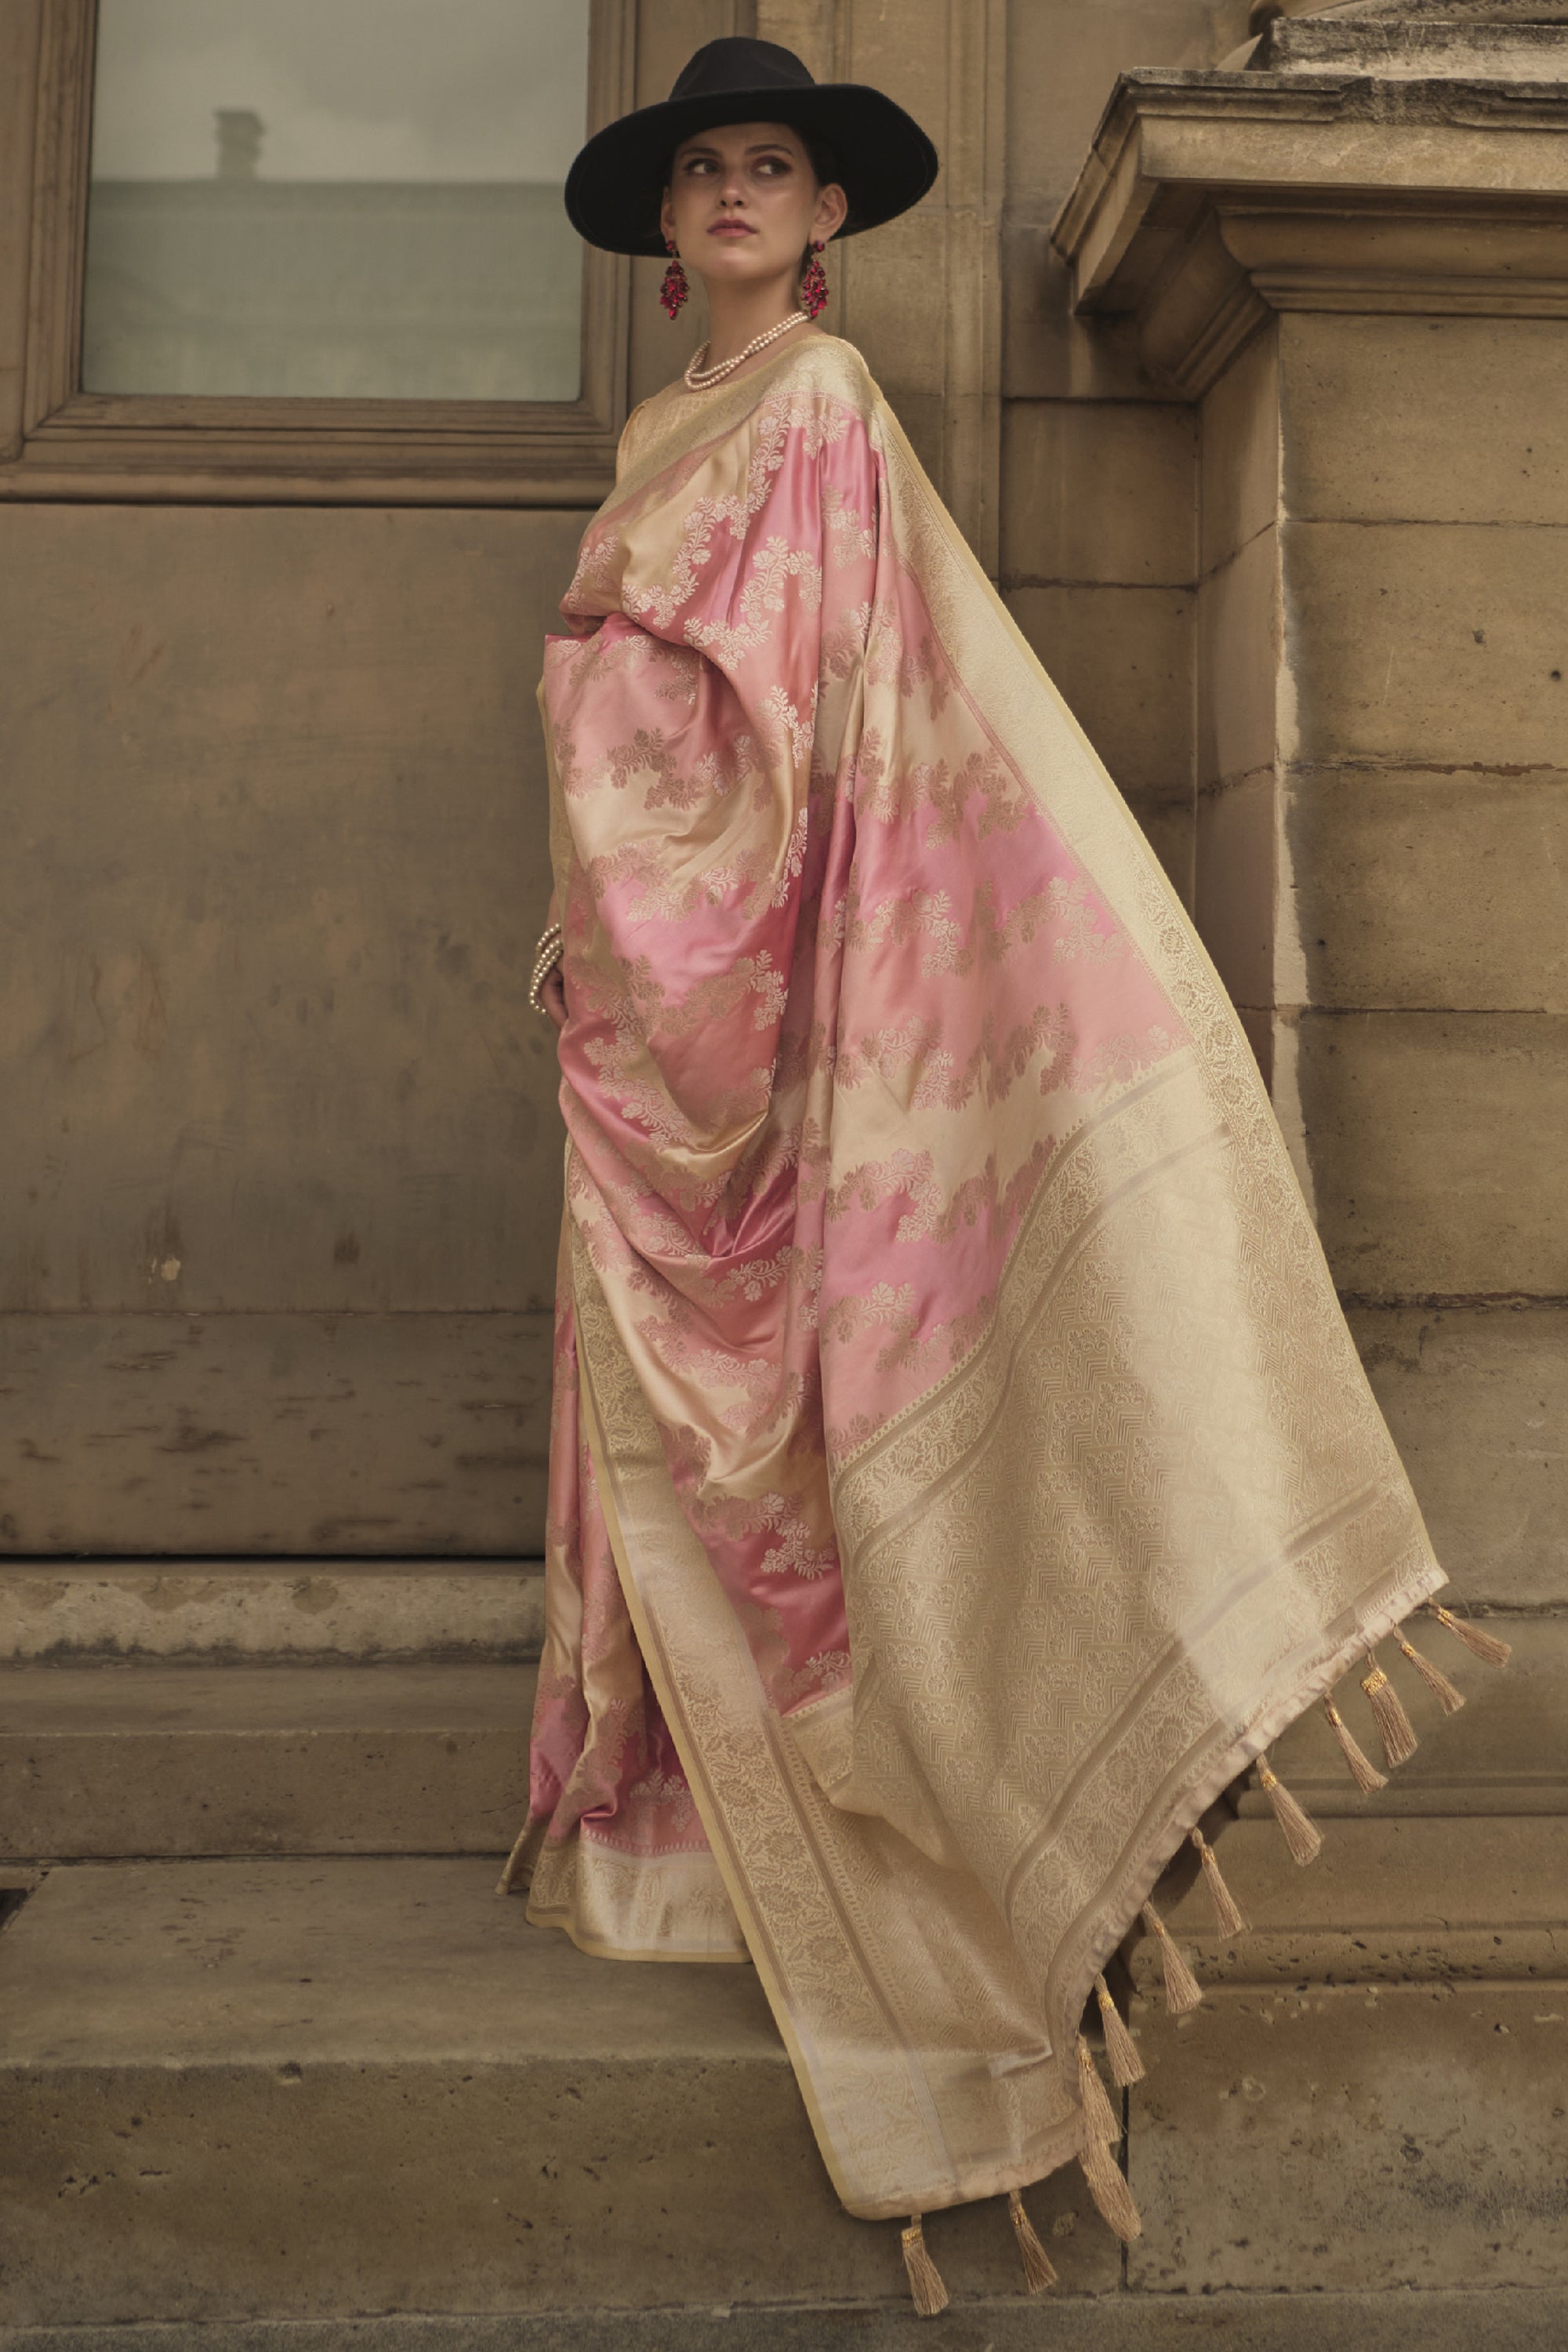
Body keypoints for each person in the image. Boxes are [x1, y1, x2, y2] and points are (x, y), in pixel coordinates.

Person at [500, 35, 1509, 2318]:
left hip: (765, 978)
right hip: (648, 1001)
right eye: (704, 169)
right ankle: (685, 1855)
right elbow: (637, 722)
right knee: (668, 1422)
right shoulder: (666, 433)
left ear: (826, 218)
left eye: (772, 166)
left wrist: (664, 873)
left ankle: (917, 1858)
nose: (736, 193)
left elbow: (808, 711)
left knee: (802, 1400)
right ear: (665, 228)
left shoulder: (822, 413)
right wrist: (601, 899)